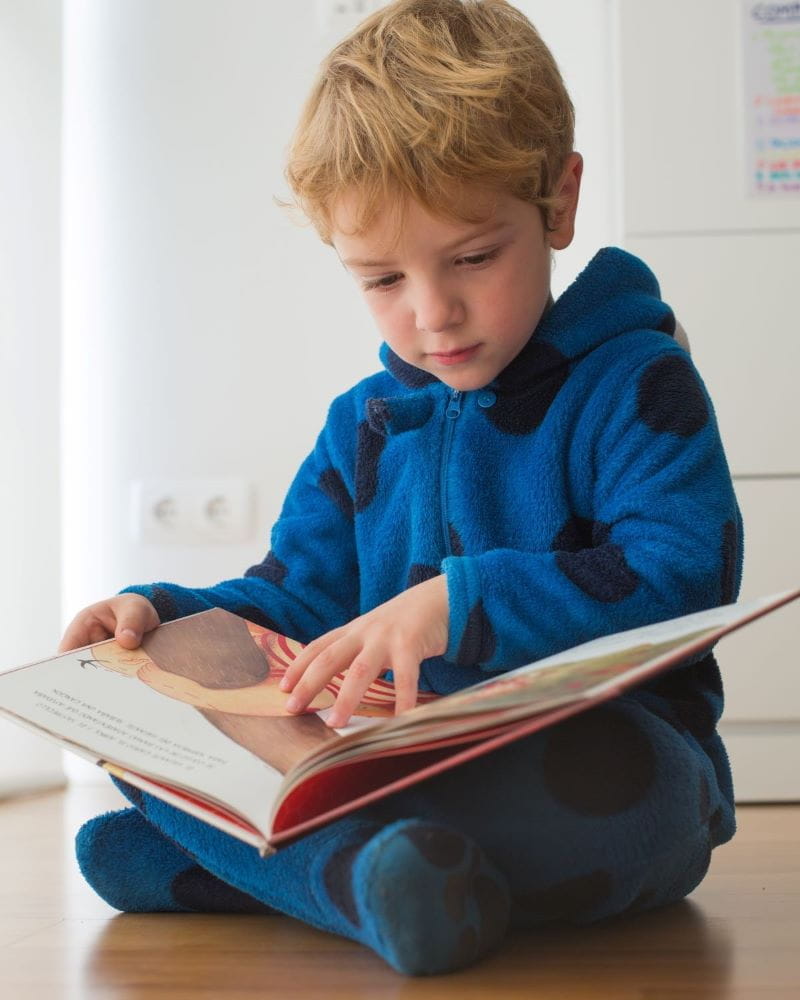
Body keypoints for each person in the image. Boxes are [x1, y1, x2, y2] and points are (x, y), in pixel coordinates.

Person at [61, 0, 743, 976]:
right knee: (147, 728)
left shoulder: (633, 381)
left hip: (587, 753)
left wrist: (459, 604)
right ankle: (370, 875)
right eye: (380, 279)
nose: (432, 313)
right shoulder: (363, 423)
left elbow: (679, 574)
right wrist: (160, 618)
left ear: (556, 200)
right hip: (379, 758)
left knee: (639, 804)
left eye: (471, 257)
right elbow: (293, 596)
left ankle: (272, 872)